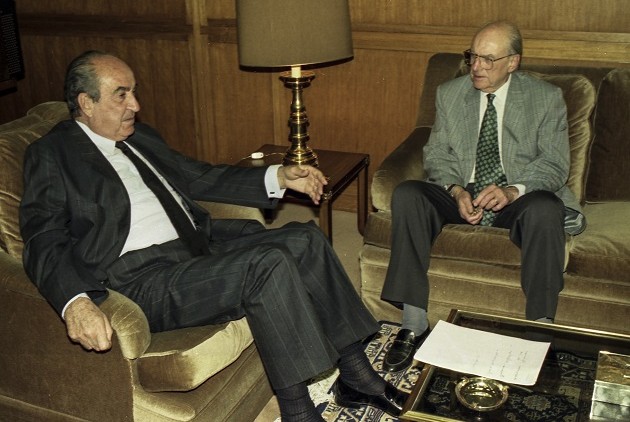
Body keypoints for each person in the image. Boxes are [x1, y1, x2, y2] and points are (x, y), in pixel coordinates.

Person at [19, 50, 409, 422]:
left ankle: (357, 377)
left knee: (305, 239)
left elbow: (200, 176)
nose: (135, 105)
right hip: (139, 279)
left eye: (134, 92)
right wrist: (76, 302)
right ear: (86, 103)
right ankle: (298, 412)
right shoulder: (52, 153)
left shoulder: (140, 137)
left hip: (195, 247)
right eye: (122, 95)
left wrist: (279, 176)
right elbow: (42, 236)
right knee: (267, 264)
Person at [380, 21, 586, 373]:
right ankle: (413, 323)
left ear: (513, 62)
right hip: (463, 192)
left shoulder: (545, 98)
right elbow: (437, 154)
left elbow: (554, 163)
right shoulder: (450, 93)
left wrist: (511, 190)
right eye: (473, 56)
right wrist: (456, 189)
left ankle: (540, 332)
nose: (476, 67)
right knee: (408, 194)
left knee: (546, 208)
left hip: (516, 196)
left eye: (488, 59)